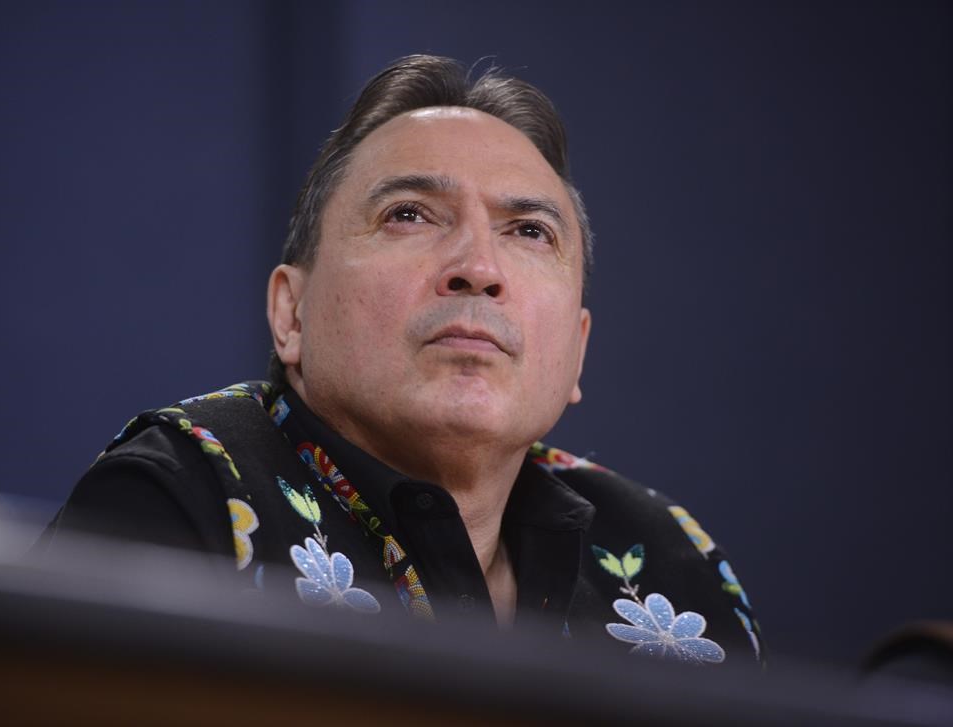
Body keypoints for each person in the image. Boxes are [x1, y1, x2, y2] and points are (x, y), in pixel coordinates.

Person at [47, 55, 763, 665]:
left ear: (577, 349)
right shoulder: (177, 501)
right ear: (291, 313)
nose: (478, 268)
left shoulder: (674, 564)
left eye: (528, 231)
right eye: (409, 214)